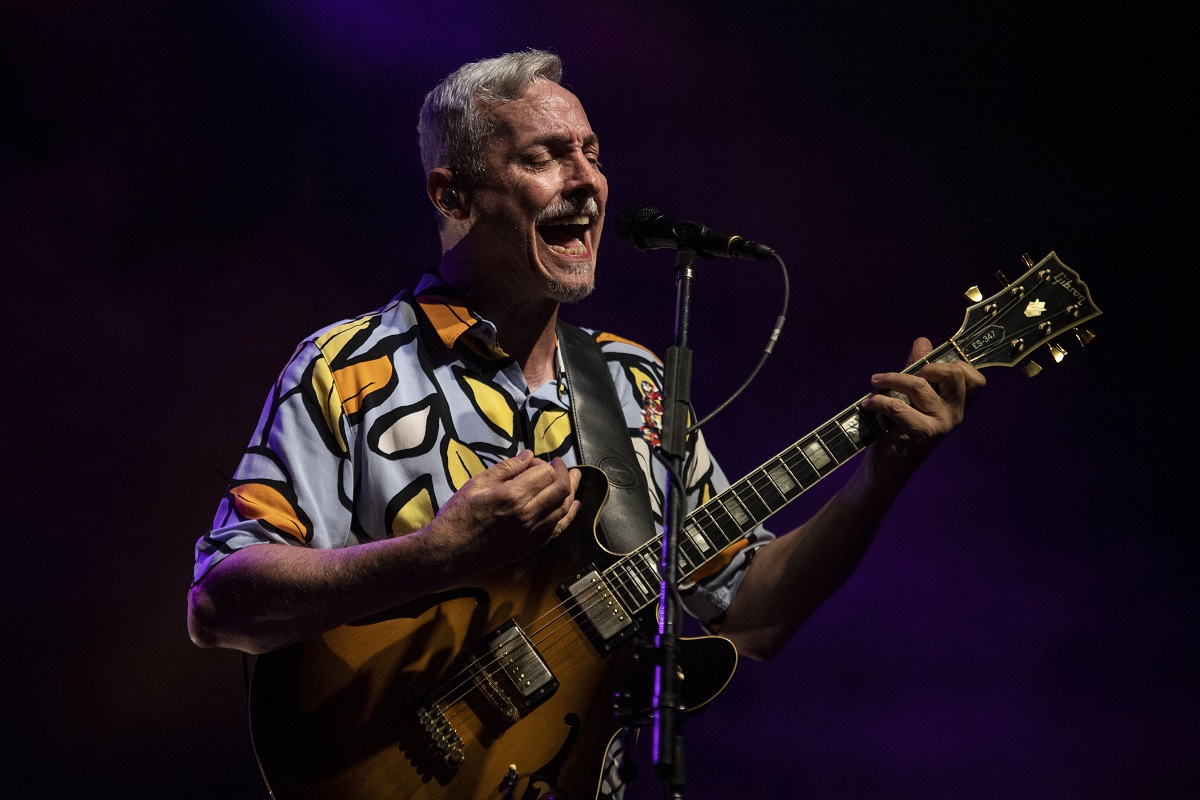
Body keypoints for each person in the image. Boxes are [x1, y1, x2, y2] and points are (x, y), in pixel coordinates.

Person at [187, 49, 984, 798]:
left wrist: (883, 474)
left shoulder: (634, 381)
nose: (588, 181)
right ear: (452, 195)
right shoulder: (347, 367)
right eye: (544, 157)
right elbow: (222, 605)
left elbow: (750, 611)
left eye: (592, 153)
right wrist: (437, 556)